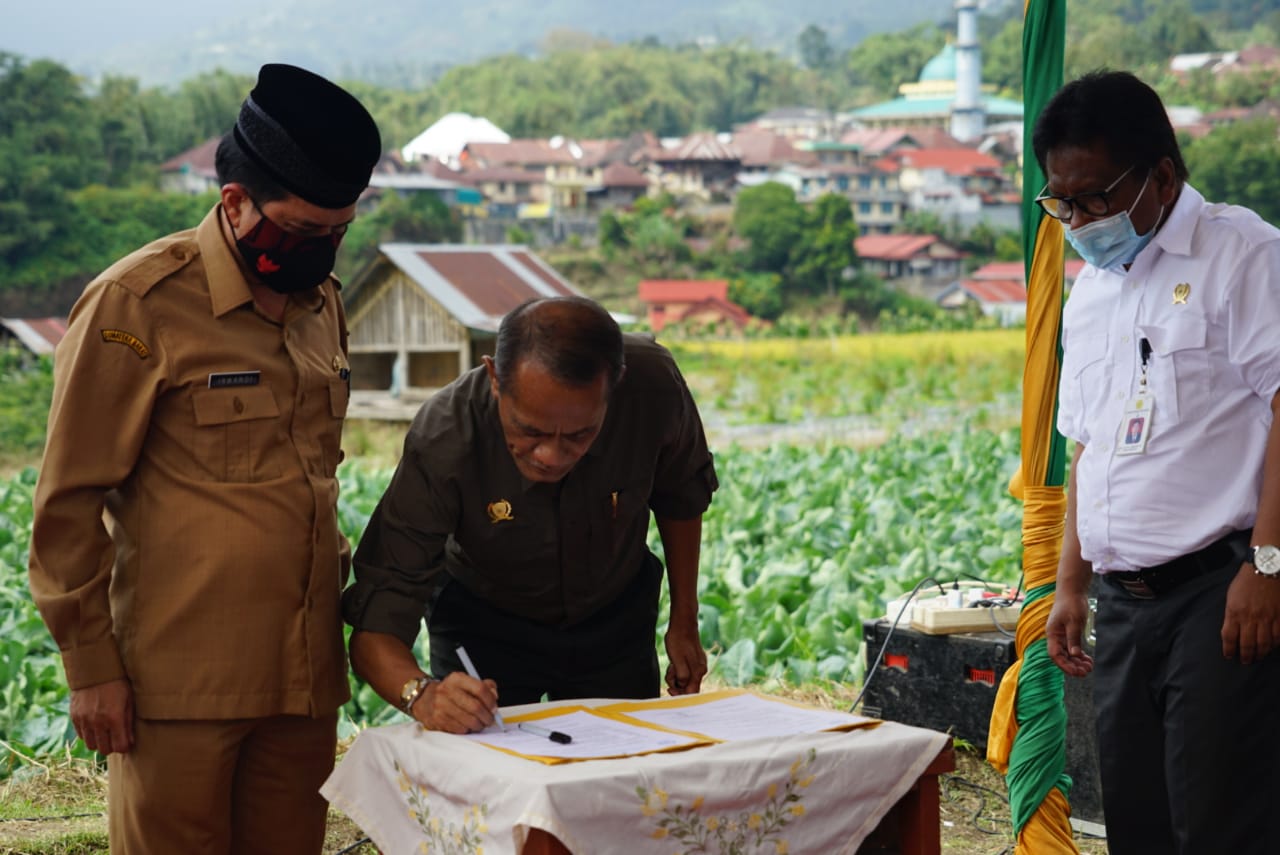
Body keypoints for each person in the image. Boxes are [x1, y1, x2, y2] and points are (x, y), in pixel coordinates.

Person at [27, 64, 381, 854]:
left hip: (302, 683)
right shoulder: (136, 306)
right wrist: (90, 667)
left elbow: (316, 475)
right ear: (235, 203)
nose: (321, 251)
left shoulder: (321, 304)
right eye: (303, 231)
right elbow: (68, 502)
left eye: (339, 232)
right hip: (176, 685)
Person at [1039, 70, 1280, 854]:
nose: (1080, 221)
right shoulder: (1091, 290)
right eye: (1062, 203)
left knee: (1217, 826)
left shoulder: (1242, 254)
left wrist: (1268, 566)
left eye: (1094, 198)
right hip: (1123, 602)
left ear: (1162, 177)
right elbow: (1088, 445)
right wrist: (1071, 584)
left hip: (1218, 593)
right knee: (1135, 824)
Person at [342, 296, 718, 733]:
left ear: (615, 384)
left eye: (579, 434)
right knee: (486, 762)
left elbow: (682, 495)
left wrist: (684, 618)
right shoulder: (446, 436)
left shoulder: (652, 385)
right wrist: (423, 696)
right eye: (529, 431)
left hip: (613, 612)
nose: (551, 456)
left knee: (622, 756)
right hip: (483, 619)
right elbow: (379, 617)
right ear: (495, 378)